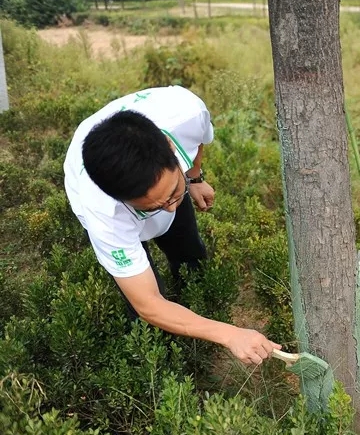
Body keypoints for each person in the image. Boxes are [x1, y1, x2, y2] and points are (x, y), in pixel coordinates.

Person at [63, 86, 281, 365]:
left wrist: (194, 178)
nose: (170, 208)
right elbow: (149, 304)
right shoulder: (104, 213)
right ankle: (162, 360)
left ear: (169, 147)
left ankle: (194, 299)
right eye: (151, 207)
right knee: (143, 310)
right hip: (113, 202)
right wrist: (229, 334)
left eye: (172, 193)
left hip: (162, 170)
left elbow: (198, 141)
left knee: (189, 251)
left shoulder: (186, 113)